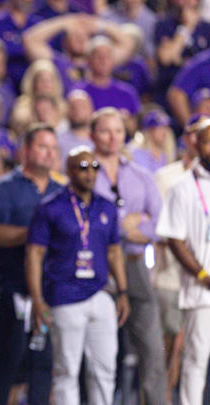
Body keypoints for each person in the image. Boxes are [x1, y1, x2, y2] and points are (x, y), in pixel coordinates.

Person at [26, 146, 130, 405]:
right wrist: (38, 299)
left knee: (105, 369)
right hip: (65, 295)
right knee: (67, 371)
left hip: (101, 292)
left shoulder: (106, 207)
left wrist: (124, 292)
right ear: (69, 171)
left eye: (95, 167)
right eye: (83, 167)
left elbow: (115, 252)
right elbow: (35, 254)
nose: (90, 173)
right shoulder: (51, 207)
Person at [89, 107, 166, 405]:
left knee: (152, 349)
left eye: (118, 131)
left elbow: (160, 224)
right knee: (103, 352)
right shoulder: (84, 172)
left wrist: (133, 228)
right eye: (106, 131)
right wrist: (126, 225)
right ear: (94, 134)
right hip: (99, 268)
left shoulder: (140, 175)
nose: (112, 137)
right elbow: (88, 223)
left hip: (135, 266)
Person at [0, 123, 61, 405]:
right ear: (25, 150)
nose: (49, 154)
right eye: (42, 146)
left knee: (43, 360)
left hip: (49, 290)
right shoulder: (4, 189)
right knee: (10, 357)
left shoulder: (61, 190)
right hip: (13, 287)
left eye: (53, 148)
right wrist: (35, 235)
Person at [156, 118, 210, 405]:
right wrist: (202, 274)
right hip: (202, 290)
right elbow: (174, 240)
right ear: (196, 145)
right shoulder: (182, 188)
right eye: (208, 141)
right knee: (196, 358)